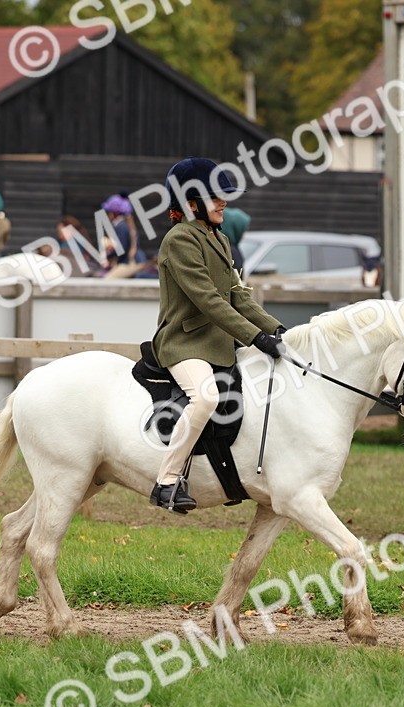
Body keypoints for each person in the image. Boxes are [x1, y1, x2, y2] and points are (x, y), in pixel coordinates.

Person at [149, 157, 286, 513]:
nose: (224, 203)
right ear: (191, 202)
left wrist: (276, 330)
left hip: (218, 344)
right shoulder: (179, 240)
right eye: (215, 198)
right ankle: (166, 481)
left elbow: (238, 296)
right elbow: (209, 300)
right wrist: (255, 338)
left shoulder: (219, 239)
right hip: (184, 343)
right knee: (205, 398)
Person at [101, 194, 148, 278]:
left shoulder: (121, 226)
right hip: (126, 262)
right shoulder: (124, 225)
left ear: (114, 213)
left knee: (108, 280)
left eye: (108, 212)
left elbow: (121, 248)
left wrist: (108, 257)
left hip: (127, 263)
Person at [220, 206, 251, 276]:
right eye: (242, 230)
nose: (243, 236)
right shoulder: (230, 251)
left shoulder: (214, 244)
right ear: (234, 228)